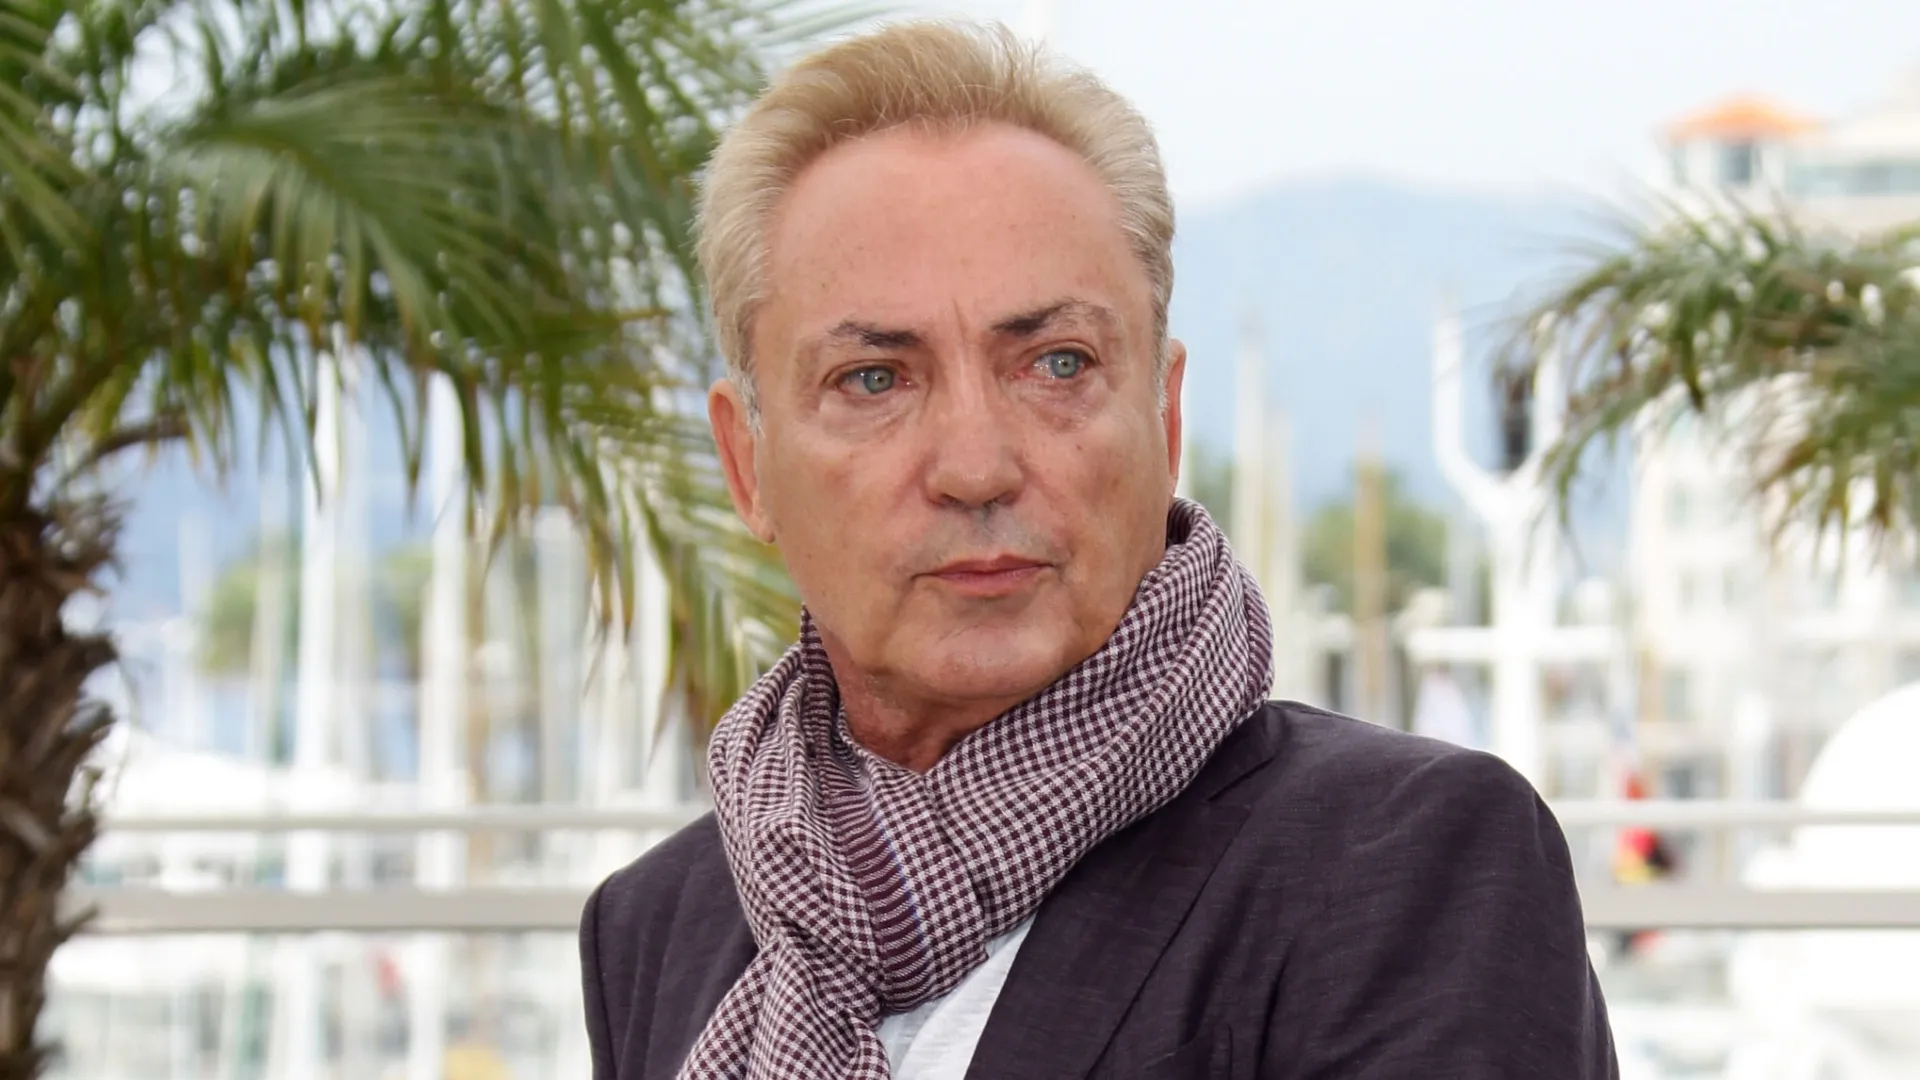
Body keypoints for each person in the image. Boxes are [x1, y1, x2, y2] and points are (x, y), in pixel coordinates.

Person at [580, 19, 1616, 1080]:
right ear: (748, 465)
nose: (975, 467)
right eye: (875, 380)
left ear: (1164, 421)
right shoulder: (664, 925)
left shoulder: (1402, 864)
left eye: (1057, 364)